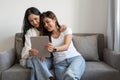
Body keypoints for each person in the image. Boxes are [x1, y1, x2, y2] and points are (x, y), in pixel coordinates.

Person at [20, 7, 66, 80]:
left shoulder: (48, 27)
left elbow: (58, 30)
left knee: (34, 67)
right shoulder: (30, 32)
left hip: (48, 60)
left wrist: (63, 27)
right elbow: (25, 53)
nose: (34, 22)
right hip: (35, 59)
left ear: (40, 16)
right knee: (35, 59)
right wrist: (30, 53)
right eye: (31, 21)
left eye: (36, 19)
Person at [40, 11, 86, 80]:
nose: (46, 25)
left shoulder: (66, 30)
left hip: (75, 58)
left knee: (70, 75)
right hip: (59, 63)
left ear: (54, 20)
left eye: (47, 21)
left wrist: (54, 48)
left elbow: (66, 46)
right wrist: (42, 53)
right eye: (44, 24)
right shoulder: (46, 37)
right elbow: (44, 52)